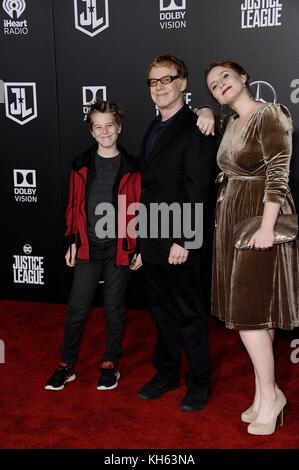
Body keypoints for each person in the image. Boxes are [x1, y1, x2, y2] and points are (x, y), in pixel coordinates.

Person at [203, 60, 299, 434]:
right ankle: (264, 395)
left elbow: (279, 170)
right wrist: (205, 109)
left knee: (248, 316)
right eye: (212, 85)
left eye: (225, 76)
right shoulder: (230, 124)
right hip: (233, 219)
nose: (220, 84)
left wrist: (267, 226)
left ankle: (271, 396)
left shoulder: (270, 115)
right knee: (256, 312)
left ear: (244, 77)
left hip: (260, 217)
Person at [131, 55, 218, 411]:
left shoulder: (196, 125)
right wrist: (140, 240)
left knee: (189, 313)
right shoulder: (153, 127)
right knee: (160, 310)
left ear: (183, 83)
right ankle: (166, 373)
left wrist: (184, 238)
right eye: (153, 81)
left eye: (167, 79)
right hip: (151, 234)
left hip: (180, 237)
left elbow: (198, 188)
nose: (159, 87)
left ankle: (199, 382)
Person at [45, 99, 141, 391]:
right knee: (77, 307)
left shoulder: (134, 167)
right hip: (87, 246)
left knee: (114, 307)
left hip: (119, 249)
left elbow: (140, 209)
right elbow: (73, 207)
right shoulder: (80, 164)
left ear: (119, 127)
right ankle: (66, 364)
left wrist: (140, 247)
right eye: (98, 127)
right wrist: (71, 240)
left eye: (109, 125)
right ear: (91, 131)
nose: (104, 131)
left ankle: (110, 363)